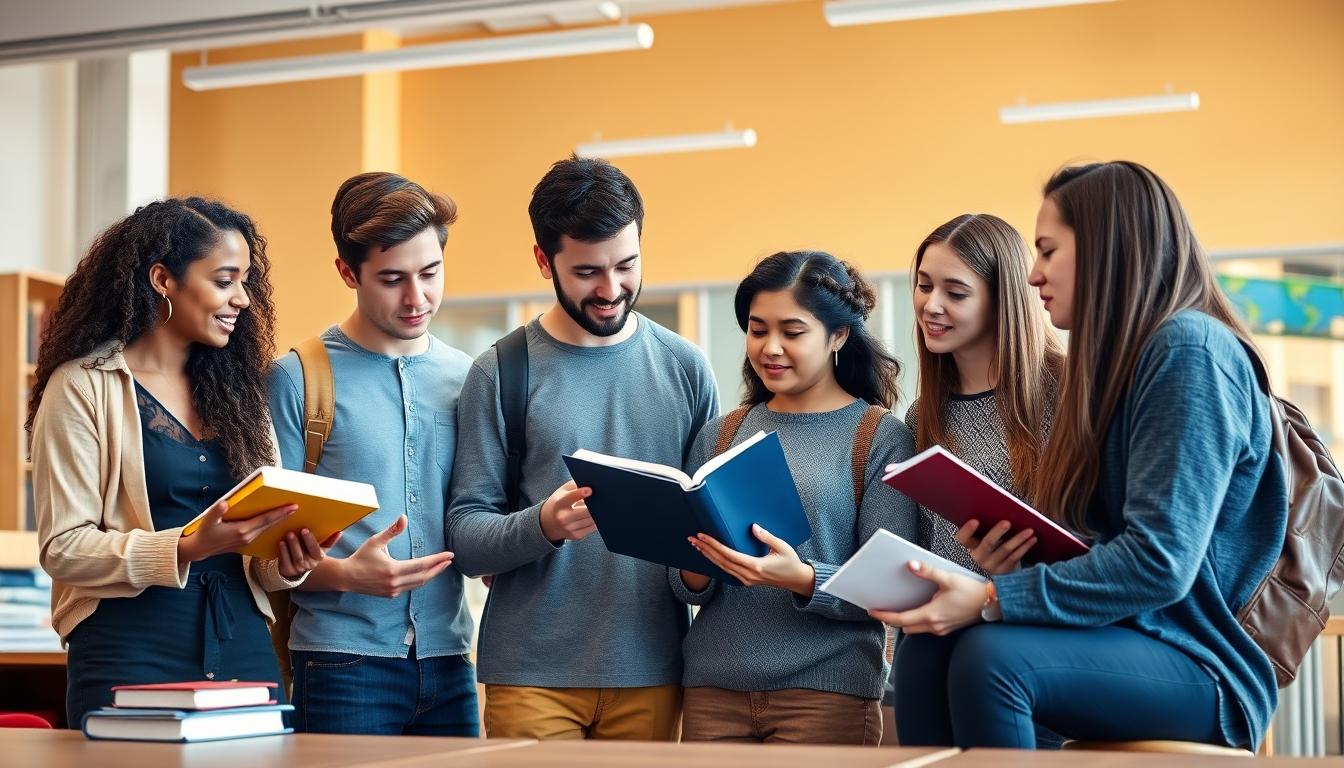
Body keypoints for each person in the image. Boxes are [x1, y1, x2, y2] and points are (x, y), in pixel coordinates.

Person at [878, 161, 1287, 752]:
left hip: (1198, 663)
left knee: (991, 659)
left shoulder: (1189, 350)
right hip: (1124, 636)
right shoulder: (1127, 366)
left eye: (1047, 251)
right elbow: (1108, 544)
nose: (1034, 275)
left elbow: (1159, 564)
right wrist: (1017, 566)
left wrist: (996, 598)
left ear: (1105, 248)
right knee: (927, 649)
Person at [448, 156, 719, 741]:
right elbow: (467, 537)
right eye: (587, 272)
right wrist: (543, 523)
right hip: (530, 672)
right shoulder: (501, 371)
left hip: (654, 665)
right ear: (544, 261)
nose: (611, 289)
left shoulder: (686, 369)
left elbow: (707, 524)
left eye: (626, 265)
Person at [29, 198, 328, 725]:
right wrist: (190, 545)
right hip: (128, 649)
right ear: (164, 279)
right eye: (224, 281)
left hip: (242, 644)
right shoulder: (82, 387)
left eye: (246, 282)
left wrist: (289, 562)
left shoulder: (242, 396)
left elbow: (259, 562)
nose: (242, 299)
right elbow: (63, 548)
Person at [672, 251, 916, 744]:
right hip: (712, 691)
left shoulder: (880, 437)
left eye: (792, 331)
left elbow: (889, 587)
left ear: (839, 336)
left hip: (826, 695)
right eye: (758, 330)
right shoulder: (719, 435)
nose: (771, 348)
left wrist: (803, 579)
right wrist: (696, 565)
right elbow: (683, 586)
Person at [268, 172, 478, 736]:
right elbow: (260, 560)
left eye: (430, 273)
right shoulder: (297, 379)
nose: (417, 298)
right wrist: (344, 575)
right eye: (392, 279)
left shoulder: (468, 378)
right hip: (341, 665)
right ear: (347, 272)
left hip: (451, 663)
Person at [907, 213, 1064, 573]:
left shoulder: (1069, 391)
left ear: (1003, 301)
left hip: (1030, 619)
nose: (931, 306)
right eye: (924, 286)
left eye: (956, 293)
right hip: (945, 622)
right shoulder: (922, 414)